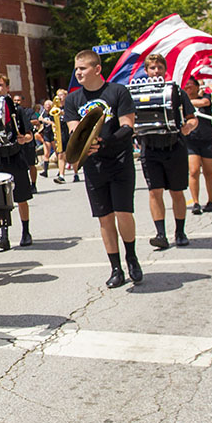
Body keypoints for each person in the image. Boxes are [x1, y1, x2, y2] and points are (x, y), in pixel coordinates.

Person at [63, 50, 140, 288]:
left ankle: (132, 257)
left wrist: (106, 141)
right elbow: (74, 129)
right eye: (76, 69)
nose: (78, 73)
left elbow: (128, 126)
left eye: (83, 68)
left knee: (123, 213)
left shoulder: (117, 92)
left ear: (97, 69)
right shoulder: (73, 100)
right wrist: (84, 143)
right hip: (94, 166)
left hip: (119, 160)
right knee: (105, 218)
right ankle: (115, 268)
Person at [134, 55, 197, 250]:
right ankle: (160, 233)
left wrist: (188, 127)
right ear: (146, 71)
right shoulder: (136, 93)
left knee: (177, 192)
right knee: (154, 192)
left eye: (160, 67)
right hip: (150, 148)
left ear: (165, 69)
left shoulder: (176, 91)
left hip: (174, 146)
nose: (156, 71)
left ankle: (180, 231)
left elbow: (192, 118)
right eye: (152, 68)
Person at [0, 76, 34, 249]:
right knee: (1, 200)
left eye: (0, 85)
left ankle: (26, 231)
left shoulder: (17, 110)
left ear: (7, 87)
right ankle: (4, 236)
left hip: (15, 156)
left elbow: (28, 134)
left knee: (21, 197)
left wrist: (24, 139)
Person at [183, 79, 212, 215]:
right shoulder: (182, 103)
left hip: (207, 138)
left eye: (191, 83)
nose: (188, 86)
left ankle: (210, 201)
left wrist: (185, 102)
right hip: (191, 140)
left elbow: (204, 103)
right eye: (186, 84)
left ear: (197, 86)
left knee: (209, 172)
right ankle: (196, 202)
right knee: (194, 171)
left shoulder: (205, 97)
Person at [52, 89, 73, 184]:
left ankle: (76, 173)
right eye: (58, 95)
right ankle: (61, 175)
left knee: (72, 154)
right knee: (60, 154)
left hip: (69, 131)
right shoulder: (55, 107)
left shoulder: (69, 106)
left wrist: (63, 113)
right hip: (60, 133)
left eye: (61, 95)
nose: (59, 97)